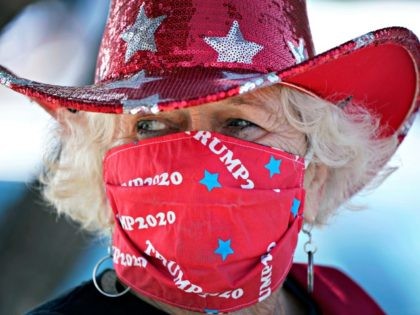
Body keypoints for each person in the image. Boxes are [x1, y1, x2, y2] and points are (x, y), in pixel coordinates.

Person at [1, 0, 418, 314]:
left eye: (238, 123)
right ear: (101, 167)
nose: (198, 154)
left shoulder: (347, 304)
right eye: (150, 125)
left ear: (318, 169)